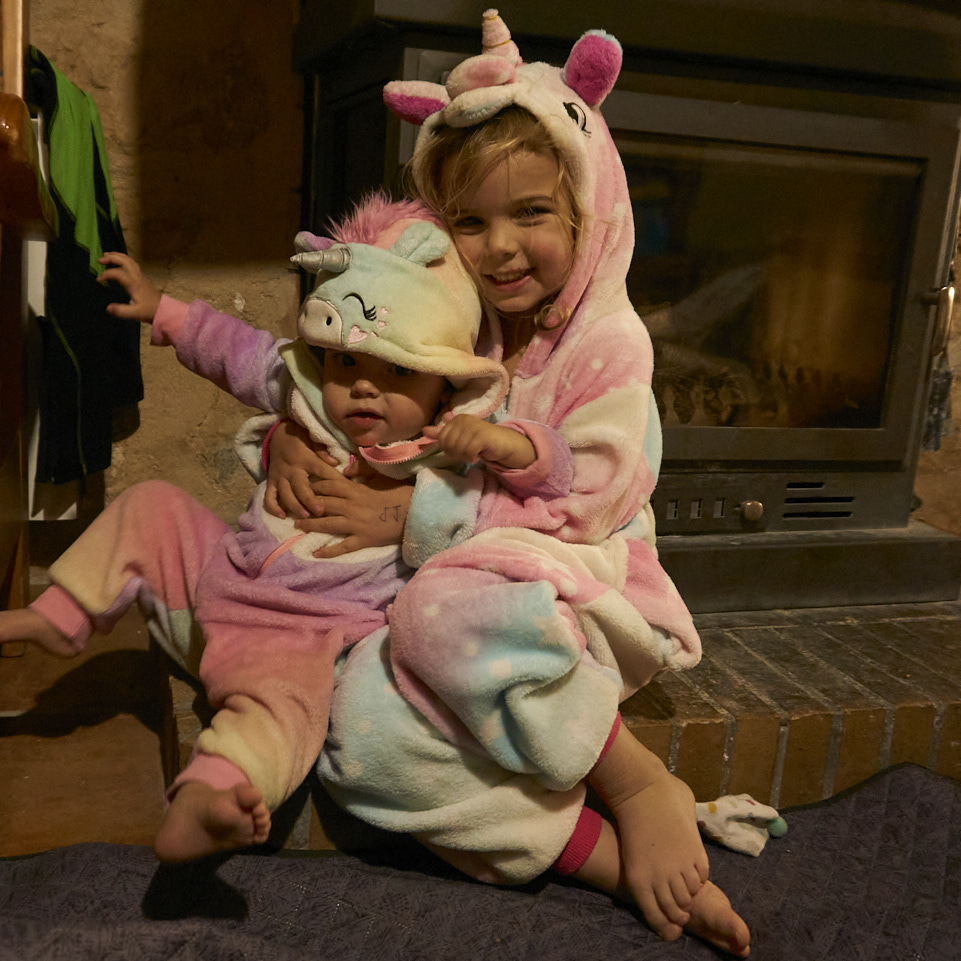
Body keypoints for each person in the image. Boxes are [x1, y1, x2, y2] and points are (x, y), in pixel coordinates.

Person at [266, 13, 750, 956]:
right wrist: (292, 432)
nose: (498, 248)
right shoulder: (462, 316)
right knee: (359, 727)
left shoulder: (611, 344)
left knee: (438, 609)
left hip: (579, 579)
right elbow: (360, 373)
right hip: (467, 597)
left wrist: (417, 514)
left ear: (587, 210)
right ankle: (601, 857)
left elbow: (593, 496)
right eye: (469, 222)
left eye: (531, 213)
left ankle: (633, 779)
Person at [0, 194, 509, 865]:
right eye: (347, 363)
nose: (363, 388)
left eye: (397, 372)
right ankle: (58, 617)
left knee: (278, 713)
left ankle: (206, 801)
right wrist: (163, 310)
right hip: (218, 584)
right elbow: (237, 352)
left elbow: (508, 505)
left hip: (298, 635)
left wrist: (450, 486)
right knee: (151, 505)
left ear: (443, 386)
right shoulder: (304, 394)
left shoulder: (446, 455)